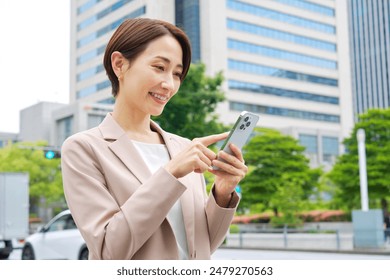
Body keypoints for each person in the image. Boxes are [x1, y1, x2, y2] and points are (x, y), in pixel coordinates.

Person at [61, 18, 247, 260]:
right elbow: (109, 250)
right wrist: (170, 174)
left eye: (177, 74)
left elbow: (202, 246)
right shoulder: (83, 148)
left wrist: (222, 192)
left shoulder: (184, 148)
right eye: (159, 67)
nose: (169, 84)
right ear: (119, 64)